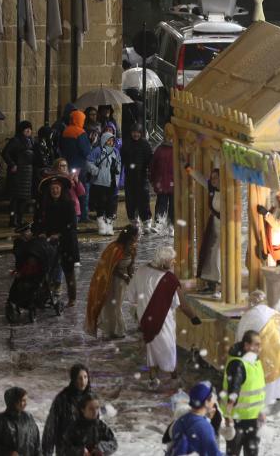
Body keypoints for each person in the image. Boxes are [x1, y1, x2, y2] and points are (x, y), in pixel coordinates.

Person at [127, 245, 201, 388]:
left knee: (151, 346)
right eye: (172, 261)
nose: (174, 263)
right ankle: (174, 377)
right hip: (163, 321)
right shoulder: (170, 279)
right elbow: (183, 305)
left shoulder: (141, 270)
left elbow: (131, 296)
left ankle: (152, 377)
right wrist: (193, 317)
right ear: (163, 262)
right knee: (169, 347)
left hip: (145, 318)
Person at [235, 290, 280, 404]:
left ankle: (261, 407)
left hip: (261, 354)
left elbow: (240, 339)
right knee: (276, 382)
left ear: (250, 303)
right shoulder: (273, 312)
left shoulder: (247, 316)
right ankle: (275, 402)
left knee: (263, 384)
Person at [85, 225, 139, 339]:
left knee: (117, 305)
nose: (138, 237)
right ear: (131, 236)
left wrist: (132, 277)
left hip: (122, 282)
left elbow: (131, 265)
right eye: (136, 235)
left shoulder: (132, 248)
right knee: (110, 305)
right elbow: (109, 268)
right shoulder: (114, 248)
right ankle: (111, 331)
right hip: (110, 281)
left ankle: (116, 330)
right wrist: (124, 276)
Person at [34, 176, 80, 306]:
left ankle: (72, 298)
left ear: (61, 189)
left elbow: (71, 224)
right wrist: (41, 232)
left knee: (68, 271)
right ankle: (46, 295)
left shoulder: (68, 204)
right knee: (46, 269)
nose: (55, 190)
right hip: (49, 243)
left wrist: (59, 234)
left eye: (57, 188)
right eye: (52, 188)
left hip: (66, 242)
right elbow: (39, 222)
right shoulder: (45, 205)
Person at [222, 330, 266, 456]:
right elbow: (233, 391)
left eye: (260, 345)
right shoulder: (238, 364)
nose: (259, 348)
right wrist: (228, 416)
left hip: (253, 419)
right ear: (246, 346)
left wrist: (261, 411)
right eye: (256, 345)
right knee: (234, 452)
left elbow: (258, 390)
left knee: (252, 452)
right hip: (238, 420)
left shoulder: (255, 361)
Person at [42, 364, 92, 456]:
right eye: (79, 378)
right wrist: (47, 452)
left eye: (85, 377)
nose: (83, 381)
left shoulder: (91, 398)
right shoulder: (62, 399)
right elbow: (51, 428)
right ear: (73, 379)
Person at [167, 382, 225, 456]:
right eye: (212, 397)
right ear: (206, 402)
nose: (214, 400)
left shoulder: (181, 420)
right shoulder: (205, 427)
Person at [188, 166, 221, 291]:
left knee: (217, 255)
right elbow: (200, 178)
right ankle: (211, 283)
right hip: (213, 225)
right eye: (212, 177)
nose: (213, 180)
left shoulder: (227, 191)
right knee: (209, 253)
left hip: (224, 227)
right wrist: (187, 167)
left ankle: (219, 282)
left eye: (215, 177)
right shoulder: (212, 188)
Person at [120, 123, 153, 233]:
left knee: (144, 200)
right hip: (129, 177)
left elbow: (150, 160)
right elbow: (122, 159)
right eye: (134, 132)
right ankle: (134, 222)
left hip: (142, 177)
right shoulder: (126, 144)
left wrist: (149, 172)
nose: (136, 134)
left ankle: (146, 222)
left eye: (138, 132)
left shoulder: (145, 144)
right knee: (131, 201)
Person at [87, 131, 121, 236]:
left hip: (112, 182)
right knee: (101, 204)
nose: (110, 142)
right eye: (108, 140)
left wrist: (118, 174)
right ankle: (101, 225)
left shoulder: (116, 151)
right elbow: (89, 162)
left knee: (110, 205)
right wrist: (96, 171)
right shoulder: (98, 150)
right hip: (100, 183)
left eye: (112, 140)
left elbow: (119, 163)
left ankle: (109, 226)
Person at [59, 111, 92, 220]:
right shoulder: (80, 132)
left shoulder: (65, 131)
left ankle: (73, 214)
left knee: (71, 191)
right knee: (82, 191)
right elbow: (86, 151)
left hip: (67, 166)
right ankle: (84, 215)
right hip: (80, 167)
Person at [3, 120, 34, 228]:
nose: (29, 131)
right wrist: (12, 165)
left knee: (24, 198)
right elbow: (5, 152)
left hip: (27, 173)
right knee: (15, 198)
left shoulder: (30, 141)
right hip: (17, 173)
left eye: (30, 129)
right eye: (26, 129)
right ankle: (13, 219)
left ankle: (20, 219)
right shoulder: (15, 141)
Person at [0, 387, 40, 456]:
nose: (25, 404)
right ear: (13, 401)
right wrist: (8, 453)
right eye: (22, 400)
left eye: (26, 400)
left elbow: (36, 441)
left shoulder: (28, 417)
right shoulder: (0, 420)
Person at [150, 127, 174, 232]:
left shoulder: (178, 149)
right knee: (161, 203)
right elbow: (153, 166)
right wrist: (152, 179)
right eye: (168, 136)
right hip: (162, 182)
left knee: (173, 205)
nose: (169, 139)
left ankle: (172, 224)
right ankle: (159, 222)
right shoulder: (159, 150)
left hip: (174, 183)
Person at [52, 158, 86, 224]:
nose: (64, 167)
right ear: (56, 167)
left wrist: (77, 181)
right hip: (60, 208)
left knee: (72, 231)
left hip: (74, 208)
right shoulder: (54, 178)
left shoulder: (72, 177)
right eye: (62, 165)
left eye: (65, 165)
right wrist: (68, 180)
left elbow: (82, 192)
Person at [33, 125, 56, 190]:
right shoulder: (39, 145)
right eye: (50, 135)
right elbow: (42, 160)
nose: (51, 137)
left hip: (47, 168)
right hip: (42, 170)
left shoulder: (48, 143)